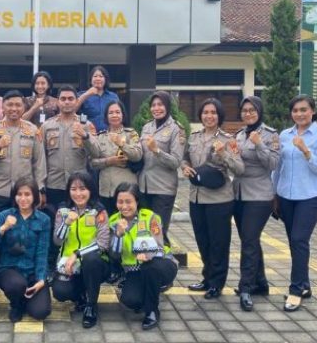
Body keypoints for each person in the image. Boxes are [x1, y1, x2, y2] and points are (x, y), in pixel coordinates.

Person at [273, 95, 317, 312]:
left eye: (304, 109)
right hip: (286, 198)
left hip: (310, 198)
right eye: (296, 110)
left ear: (313, 111)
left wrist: (306, 151)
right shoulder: (285, 135)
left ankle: (296, 290)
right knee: (295, 243)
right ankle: (305, 285)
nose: (299, 114)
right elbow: (277, 168)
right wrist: (273, 194)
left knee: (299, 240)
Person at [182, 98, 244, 300]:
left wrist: (223, 153)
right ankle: (207, 278)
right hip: (196, 198)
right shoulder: (194, 137)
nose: (209, 116)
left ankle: (217, 283)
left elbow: (239, 168)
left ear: (219, 116)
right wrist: (184, 167)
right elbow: (185, 158)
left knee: (218, 242)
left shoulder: (228, 139)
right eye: (205, 112)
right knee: (202, 241)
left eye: (213, 113)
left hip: (219, 200)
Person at [109, 183, 178, 330]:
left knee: (151, 268)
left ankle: (152, 311)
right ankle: (149, 290)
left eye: (128, 202)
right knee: (130, 300)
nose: (124, 206)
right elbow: (114, 255)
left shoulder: (150, 217)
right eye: (120, 202)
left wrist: (148, 255)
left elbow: (160, 246)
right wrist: (118, 234)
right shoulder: (113, 221)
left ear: (137, 201)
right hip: (134, 270)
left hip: (160, 264)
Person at [233, 96, 280, 311]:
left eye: (252, 110)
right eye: (245, 110)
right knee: (249, 240)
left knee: (249, 241)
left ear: (259, 111)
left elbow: (273, 164)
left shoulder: (270, 135)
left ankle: (246, 287)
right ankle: (260, 283)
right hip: (239, 194)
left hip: (259, 196)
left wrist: (259, 144)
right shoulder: (239, 135)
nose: (248, 113)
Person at [0, 176, 52, 322]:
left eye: (27, 194)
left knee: (41, 312)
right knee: (17, 285)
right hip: (8, 269)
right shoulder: (4, 215)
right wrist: (3, 228)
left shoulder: (43, 219)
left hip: (32, 272)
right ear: (14, 196)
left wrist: (41, 279)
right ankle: (16, 304)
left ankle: (26, 299)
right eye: (19, 194)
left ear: (34, 196)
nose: (23, 198)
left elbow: (42, 252)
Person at [51, 172, 110, 329]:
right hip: (69, 266)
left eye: (82, 189)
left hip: (95, 263)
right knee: (60, 292)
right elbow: (57, 241)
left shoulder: (99, 211)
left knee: (91, 260)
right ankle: (80, 296)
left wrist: (77, 253)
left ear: (90, 190)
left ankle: (91, 305)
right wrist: (66, 223)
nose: (78, 194)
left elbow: (103, 243)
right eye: (73, 189)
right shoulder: (63, 210)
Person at [0, 90, 46, 210]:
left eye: (18, 105)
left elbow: (39, 163)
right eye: (10, 105)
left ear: (24, 108)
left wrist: (40, 189)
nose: (14, 108)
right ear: (3, 107)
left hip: (24, 193)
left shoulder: (33, 130)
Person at [138, 91, 185, 247]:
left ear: (168, 106)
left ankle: (163, 260)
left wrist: (157, 151)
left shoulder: (176, 129)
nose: (156, 108)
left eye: (160, 105)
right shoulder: (147, 127)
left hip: (163, 189)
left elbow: (176, 162)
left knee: (159, 233)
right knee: (144, 232)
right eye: (153, 105)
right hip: (144, 187)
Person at [41, 84, 97, 209]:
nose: (67, 102)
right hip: (54, 185)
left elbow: (96, 152)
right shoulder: (46, 126)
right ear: (57, 102)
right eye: (63, 99)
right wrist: (41, 187)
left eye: (70, 99)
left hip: (79, 186)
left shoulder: (86, 125)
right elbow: (40, 159)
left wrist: (85, 136)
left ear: (77, 101)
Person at [90, 101, 142, 214]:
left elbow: (138, 155)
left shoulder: (131, 134)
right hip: (105, 190)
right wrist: (109, 161)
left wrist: (122, 144)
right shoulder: (100, 136)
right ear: (106, 116)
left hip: (126, 190)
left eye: (118, 112)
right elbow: (92, 163)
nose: (114, 115)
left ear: (123, 115)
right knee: (107, 222)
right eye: (111, 113)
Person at [75, 66, 120, 132]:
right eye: (95, 76)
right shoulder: (82, 95)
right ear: (91, 79)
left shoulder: (113, 96)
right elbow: (72, 110)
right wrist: (87, 94)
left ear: (105, 79)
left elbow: (119, 114)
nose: (98, 79)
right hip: (88, 134)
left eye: (101, 76)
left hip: (109, 134)